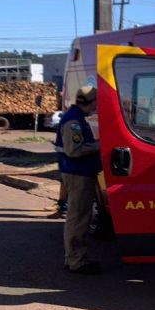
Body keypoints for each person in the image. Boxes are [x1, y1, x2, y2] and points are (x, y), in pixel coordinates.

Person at [56, 86, 101, 274]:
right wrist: (100, 145)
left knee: (80, 217)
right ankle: (76, 261)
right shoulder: (73, 121)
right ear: (91, 102)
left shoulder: (78, 118)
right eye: (97, 101)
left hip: (81, 173)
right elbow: (73, 150)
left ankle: (75, 258)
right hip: (78, 175)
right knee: (78, 218)